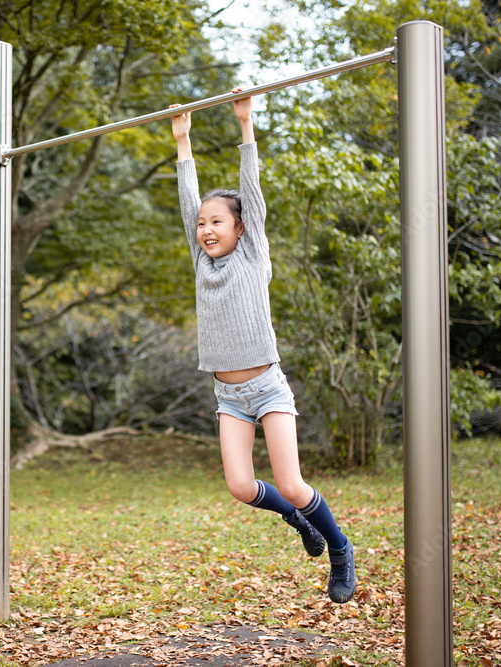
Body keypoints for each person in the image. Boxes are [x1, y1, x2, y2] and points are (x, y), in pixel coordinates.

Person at [169, 91, 356, 604]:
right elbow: (189, 205)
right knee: (241, 486)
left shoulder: (253, 256)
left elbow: (251, 188)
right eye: (203, 224)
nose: (207, 229)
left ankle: (340, 549)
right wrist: (183, 141)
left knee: (292, 483)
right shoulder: (202, 262)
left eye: (217, 222)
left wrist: (245, 125)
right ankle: (300, 523)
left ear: (241, 228)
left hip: (266, 386)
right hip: (228, 395)